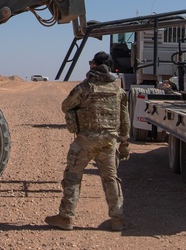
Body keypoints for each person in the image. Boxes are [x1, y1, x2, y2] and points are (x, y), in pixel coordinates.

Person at [45, 51, 130, 233]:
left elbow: (66, 105)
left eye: (91, 62)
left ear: (95, 65)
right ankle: (118, 220)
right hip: (109, 142)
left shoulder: (86, 87)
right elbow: (125, 119)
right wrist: (124, 143)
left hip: (86, 141)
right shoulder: (118, 90)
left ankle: (66, 218)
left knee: (73, 177)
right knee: (111, 179)